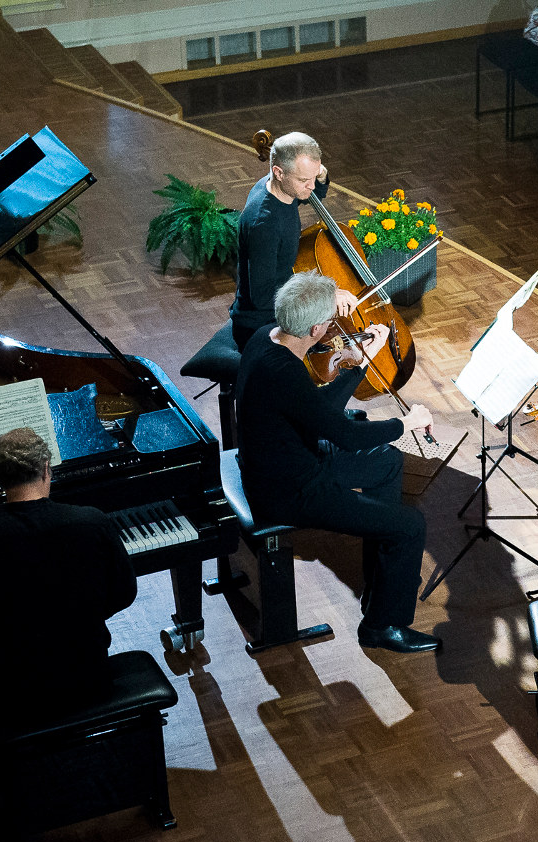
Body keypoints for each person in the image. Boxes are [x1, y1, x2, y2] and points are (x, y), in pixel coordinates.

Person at [235, 271, 438, 653]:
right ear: (316, 329)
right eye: (331, 322)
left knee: (388, 463)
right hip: (289, 489)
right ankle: (380, 627)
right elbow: (343, 433)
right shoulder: (284, 373)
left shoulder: (266, 337)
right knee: (410, 525)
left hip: (288, 459)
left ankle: (379, 585)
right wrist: (406, 423)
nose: (335, 329)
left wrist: (361, 362)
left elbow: (318, 410)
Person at [0, 427, 137, 702]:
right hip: (89, 672)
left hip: (16, 685)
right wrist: (78, 618)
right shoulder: (92, 521)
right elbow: (125, 593)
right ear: (46, 469)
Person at [231, 131, 337, 350]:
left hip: (282, 306)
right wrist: (319, 297)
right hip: (261, 324)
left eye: (313, 177)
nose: (311, 186)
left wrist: (319, 175)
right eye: (303, 179)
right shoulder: (264, 224)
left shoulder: (282, 189)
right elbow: (262, 297)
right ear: (278, 172)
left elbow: (311, 193)